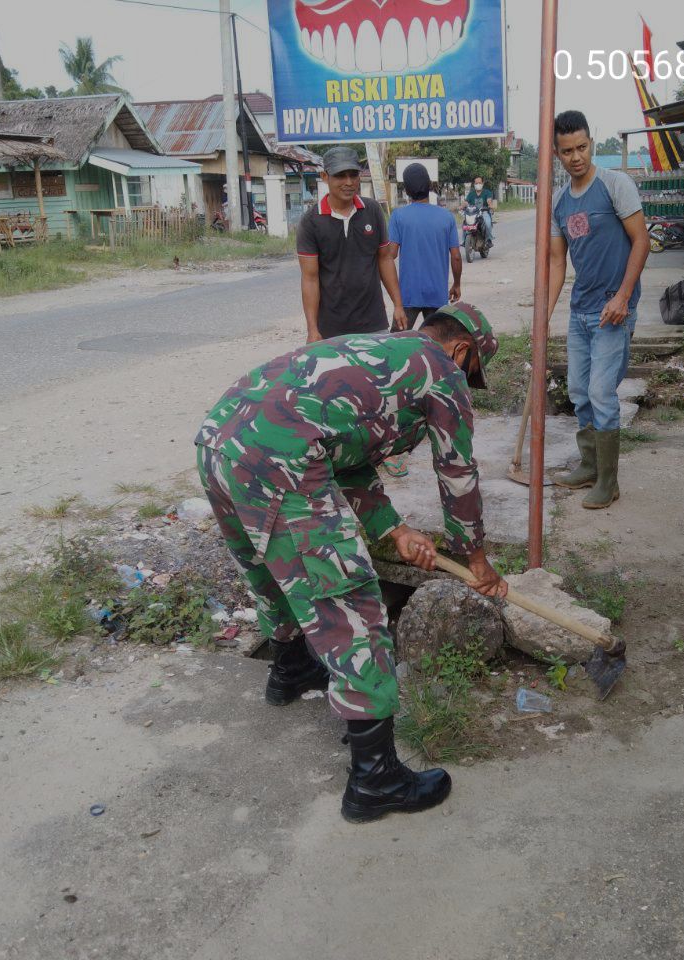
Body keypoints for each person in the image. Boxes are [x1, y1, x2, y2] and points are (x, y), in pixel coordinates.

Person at [195, 303, 507, 823]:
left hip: (219, 443)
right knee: (347, 598)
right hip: (282, 458)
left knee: (271, 569)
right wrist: (474, 557)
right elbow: (457, 472)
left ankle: (290, 669)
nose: (467, 383)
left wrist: (395, 528)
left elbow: (346, 454)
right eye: (473, 372)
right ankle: (376, 780)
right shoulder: (442, 369)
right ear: (462, 351)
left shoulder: (379, 350)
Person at [547, 109, 650, 509]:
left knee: (600, 394)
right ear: (557, 154)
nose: (577, 157)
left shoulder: (614, 185)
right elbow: (558, 262)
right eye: (568, 151)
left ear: (592, 143)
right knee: (578, 392)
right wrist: (544, 314)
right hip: (581, 309)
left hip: (614, 309)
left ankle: (610, 481)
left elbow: (641, 241)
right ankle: (590, 465)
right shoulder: (559, 201)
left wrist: (623, 296)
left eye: (583, 147)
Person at [297, 146, 408, 342]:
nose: (349, 182)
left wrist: (398, 305)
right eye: (340, 176)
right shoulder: (311, 221)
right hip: (331, 328)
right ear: (325, 177)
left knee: (377, 372)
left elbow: (385, 260)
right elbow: (310, 278)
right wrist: (312, 329)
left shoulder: (372, 210)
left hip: (373, 323)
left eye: (353, 175)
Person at [388, 162, 462, 329]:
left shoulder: (398, 216)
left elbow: (390, 254)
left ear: (406, 190)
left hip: (407, 296)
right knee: (437, 345)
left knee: (396, 345)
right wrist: (456, 284)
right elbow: (456, 257)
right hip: (437, 295)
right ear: (430, 186)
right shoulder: (446, 217)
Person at [465, 175, 497, 245]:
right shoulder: (471, 194)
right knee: (465, 224)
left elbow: (489, 201)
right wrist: (461, 206)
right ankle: (465, 241)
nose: (478, 184)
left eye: (479, 183)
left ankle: (488, 239)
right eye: (476, 183)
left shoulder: (487, 192)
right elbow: (466, 202)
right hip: (473, 213)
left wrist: (490, 205)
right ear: (474, 184)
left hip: (484, 212)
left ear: (482, 183)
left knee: (488, 223)